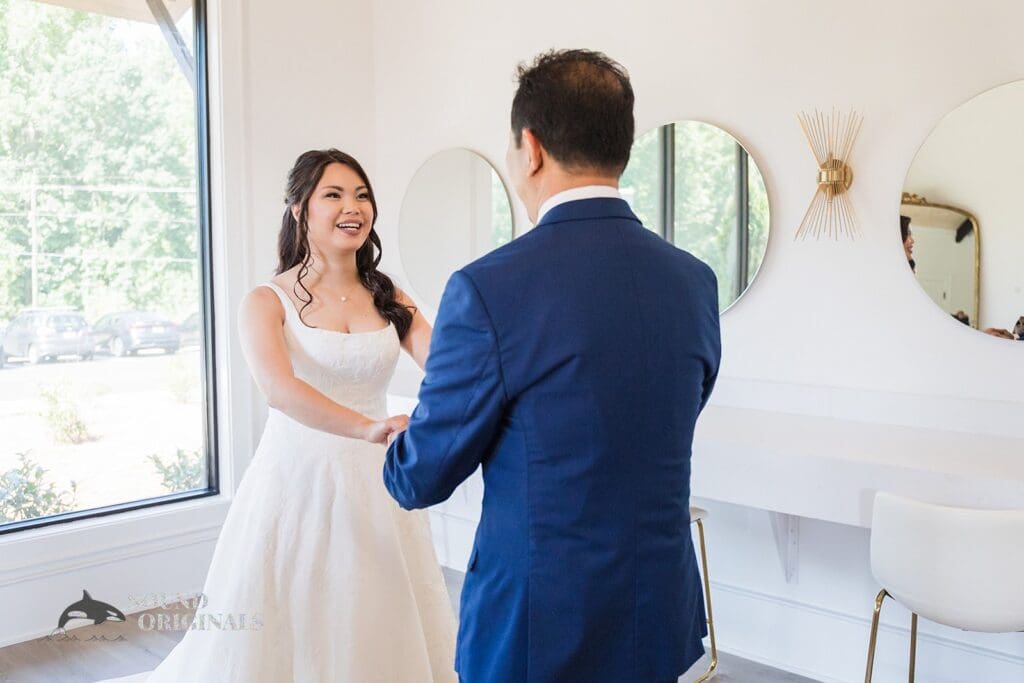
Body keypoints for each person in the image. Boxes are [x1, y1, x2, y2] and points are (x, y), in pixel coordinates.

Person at [383, 50, 721, 683]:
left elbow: (421, 478)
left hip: (540, 628)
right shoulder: (694, 282)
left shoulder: (488, 288)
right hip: (654, 613)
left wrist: (403, 442)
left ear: (531, 149)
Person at [102, 149, 456, 682]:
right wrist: (368, 428)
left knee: (377, 611)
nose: (353, 207)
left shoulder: (390, 297)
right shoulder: (266, 301)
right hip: (299, 479)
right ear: (299, 210)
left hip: (381, 482)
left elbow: (449, 365)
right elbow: (281, 390)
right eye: (333, 195)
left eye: (361, 195)